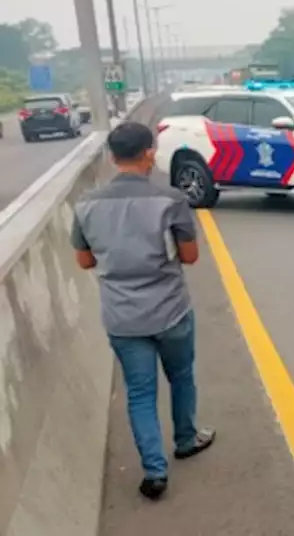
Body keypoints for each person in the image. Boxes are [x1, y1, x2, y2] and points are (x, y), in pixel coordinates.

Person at [70, 121, 216, 500]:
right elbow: (190, 256)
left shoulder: (86, 204)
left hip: (122, 316)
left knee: (140, 392)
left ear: (112, 156)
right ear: (149, 152)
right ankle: (186, 438)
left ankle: (154, 471)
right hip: (170, 309)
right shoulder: (171, 200)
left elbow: (84, 261)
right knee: (181, 375)